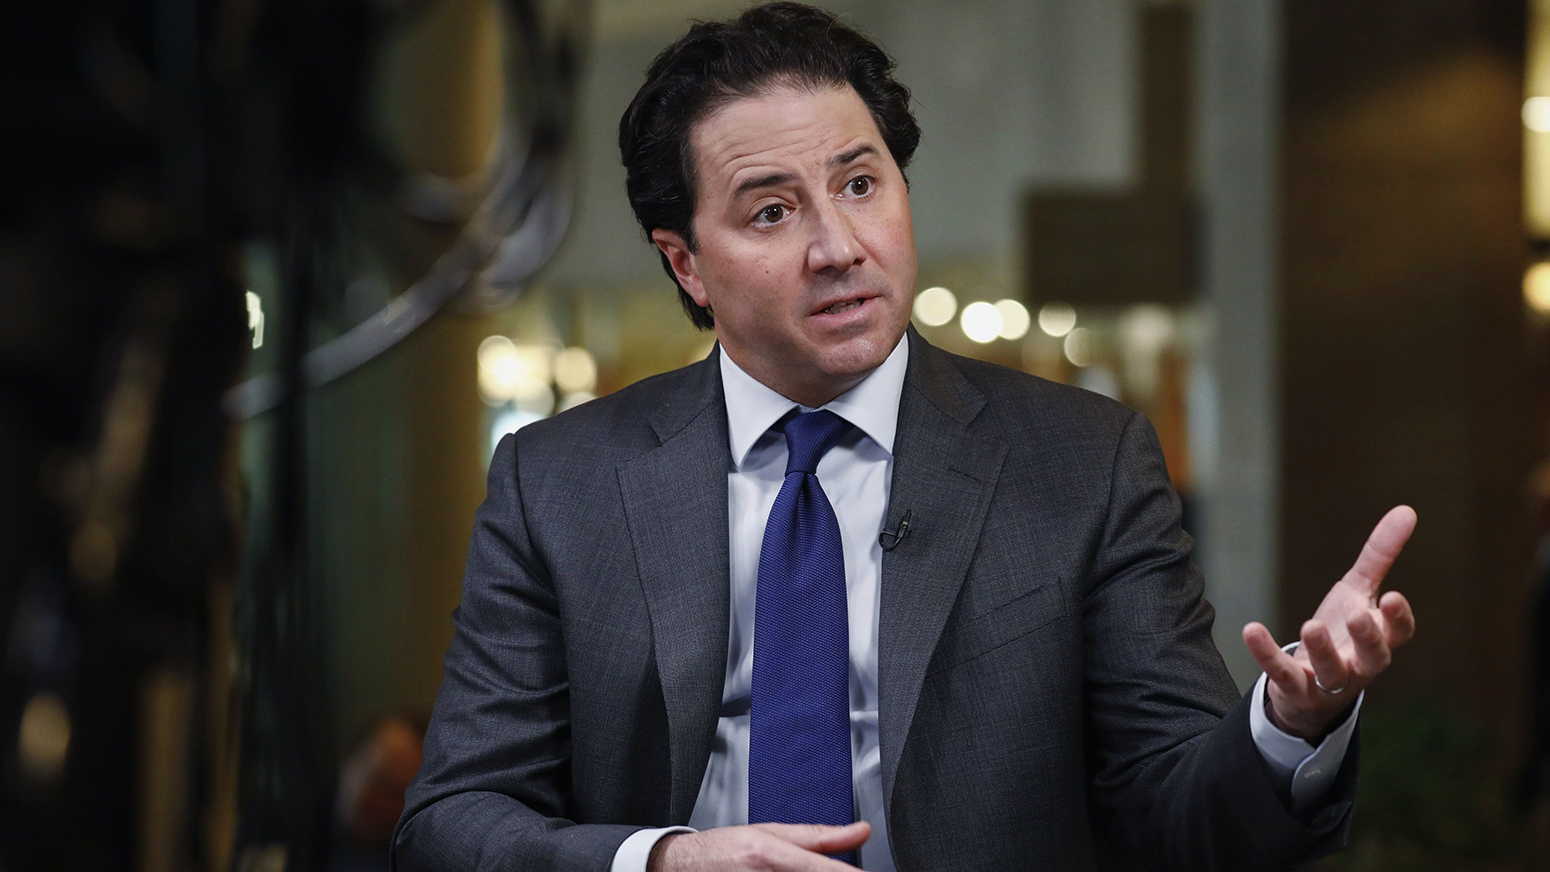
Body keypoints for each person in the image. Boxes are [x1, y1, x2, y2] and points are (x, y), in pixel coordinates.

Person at [392, 4, 1418, 870]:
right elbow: (450, 820)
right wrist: (662, 859)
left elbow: (1181, 814)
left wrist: (1290, 722)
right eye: (770, 212)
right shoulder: (560, 480)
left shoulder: (1083, 463)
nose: (837, 246)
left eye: (859, 184)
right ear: (685, 263)